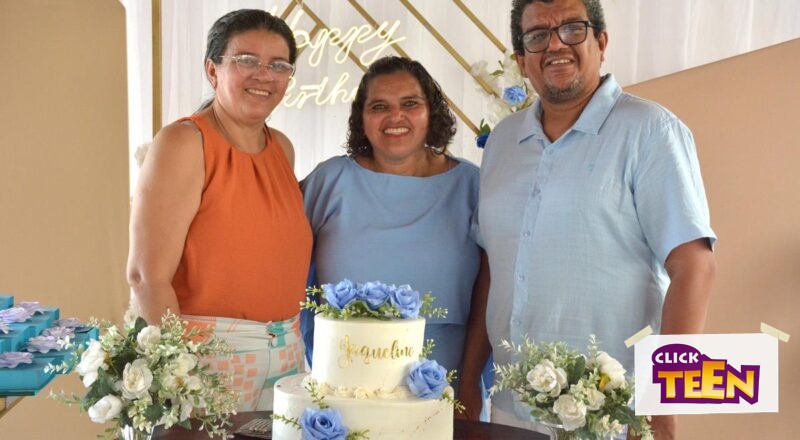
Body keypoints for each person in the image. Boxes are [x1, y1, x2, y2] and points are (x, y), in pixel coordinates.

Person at [477, 0, 717, 437]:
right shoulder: (502, 142)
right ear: (521, 60)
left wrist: (662, 404)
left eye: (572, 28)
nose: (555, 45)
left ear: (601, 42)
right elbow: (493, 267)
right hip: (511, 408)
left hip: (612, 414)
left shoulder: (650, 131)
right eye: (538, 36)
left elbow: (694, 266)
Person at [126, 9, 311, 411]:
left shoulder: (282, 148)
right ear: (213, 70)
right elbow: (146, 277)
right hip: (205, 362)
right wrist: (179, 377)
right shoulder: (183, 143)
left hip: (286, 356)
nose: (264, 75)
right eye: (247, 60)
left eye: (278, 65)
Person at [301, 56, 489, 407]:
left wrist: (468, 386)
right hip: (342, 387)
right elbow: (277, 255)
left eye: (410, 104)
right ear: (361, 118)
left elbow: (491, 290)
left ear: (431, 112)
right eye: (379, 106)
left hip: (444, 384)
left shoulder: (471, 185)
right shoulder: (329, 181)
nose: (395, 117)